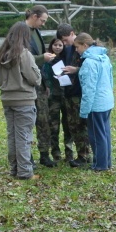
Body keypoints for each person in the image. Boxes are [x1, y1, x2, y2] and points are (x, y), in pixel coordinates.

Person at [0, 22, 42, 181]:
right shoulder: (24, 54)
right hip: (24, 100)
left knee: (13, 136)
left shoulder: (0, 54)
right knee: (24, 137)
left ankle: (14, 168)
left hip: (7, 100)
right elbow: (34, 78)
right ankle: (25, 172)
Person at [23, 5, 58, 168]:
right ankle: (26, 156)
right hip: (27, 84)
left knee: (43, 120)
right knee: (27, 122)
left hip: (40, 83)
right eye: (42, 20)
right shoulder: (21, 32)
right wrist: (42, 58)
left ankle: (44, 154)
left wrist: (45, 82)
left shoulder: (36, 32)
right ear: (34, 16)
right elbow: (22, 59)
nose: (43, 24)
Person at [74, 33, 114, 171]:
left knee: (96, 136)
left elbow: (88, 89)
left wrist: (84, 111)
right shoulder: (104, 57)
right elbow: (110, 79)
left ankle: (100, 165)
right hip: (107, 101)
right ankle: (106, 162)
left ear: (85, 45)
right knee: (105, 133)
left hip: (96, 104)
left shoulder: (89, 63)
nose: (76, 50)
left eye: (77, 47)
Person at [57, 24, 92, 167]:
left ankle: (85, 155)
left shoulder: (84, 48)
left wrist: (76, 70)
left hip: (80, 92)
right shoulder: (68, 50)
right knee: (72, 125)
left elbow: (89, 67)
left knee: (81, 124)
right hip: (68, 91)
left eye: (66, 40)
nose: (65, 43)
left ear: (72, 33)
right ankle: (80, 154)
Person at [42, 37, 67, 165]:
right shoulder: (47, 59)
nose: (57, 47)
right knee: (53, 125)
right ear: (51, 46)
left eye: (60, 45)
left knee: (68, 125)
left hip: (66, 94)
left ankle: (69, 152)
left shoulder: (67, 58)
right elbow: (43, 75)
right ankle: (55, 152)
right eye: (55, 45)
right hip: (53, 96)